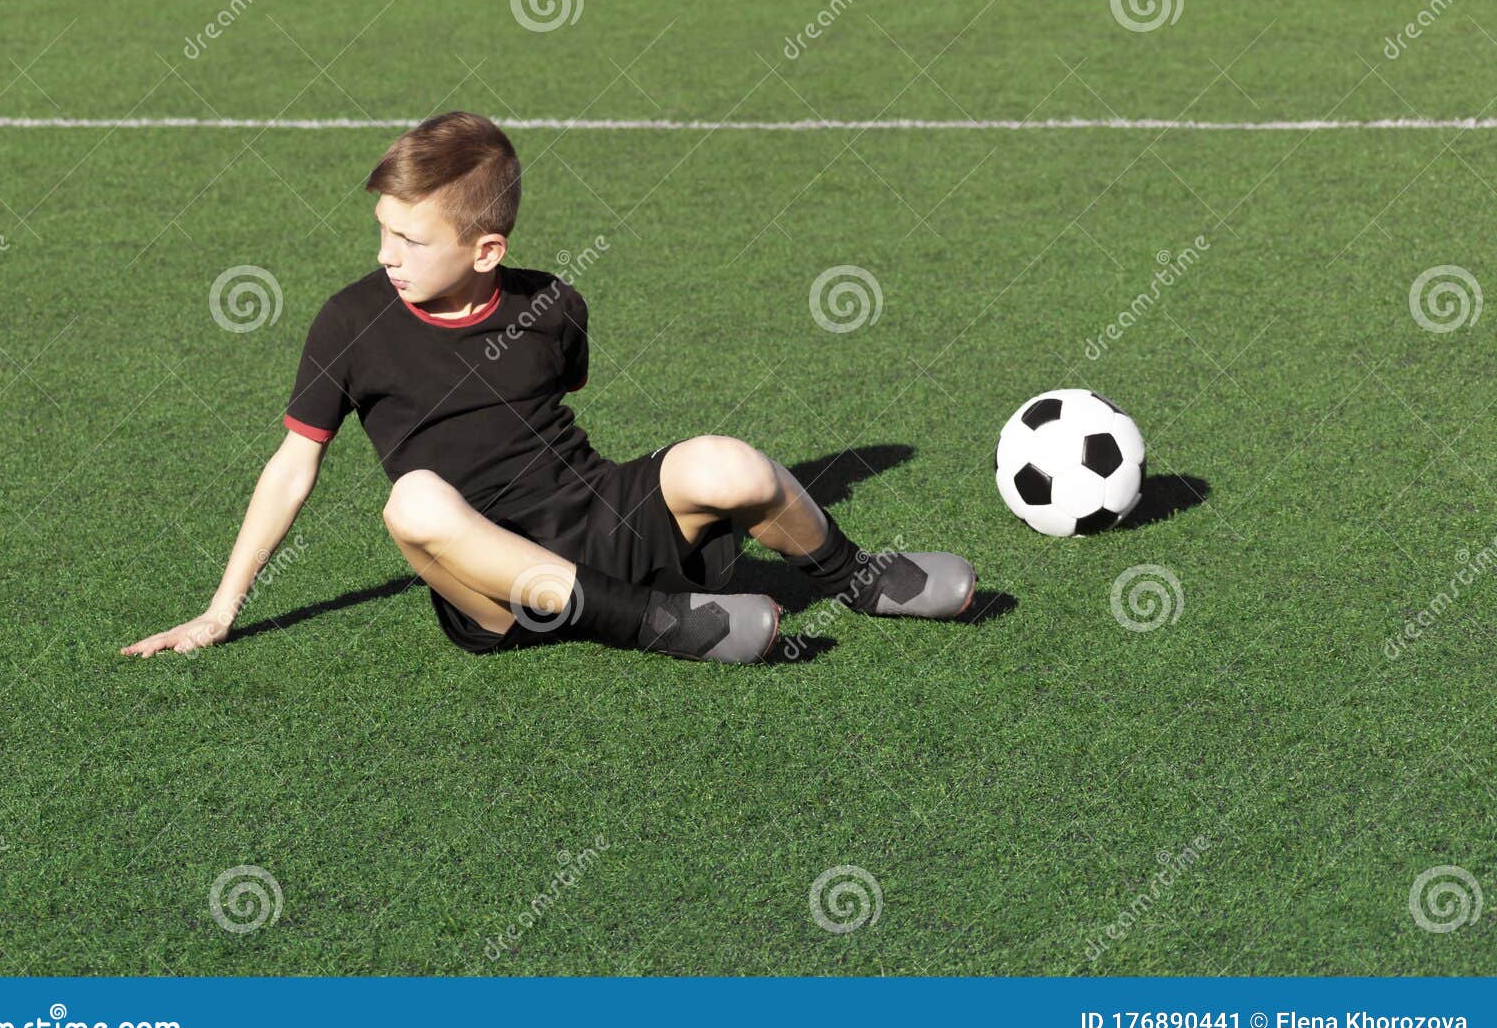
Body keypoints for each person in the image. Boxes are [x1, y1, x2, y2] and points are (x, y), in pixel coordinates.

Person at [121, 112, 975, 665]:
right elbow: (291, 466)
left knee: (727, 463)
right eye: (382, 230)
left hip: (600, 513)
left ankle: (854, 574)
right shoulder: (350, 321)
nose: (387, 255)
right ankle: (656, 624)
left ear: (486, 251)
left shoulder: (551, 303)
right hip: (492, 585)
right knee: (413, 499)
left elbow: (570, 384)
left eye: (411, 240)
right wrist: (219, 608)